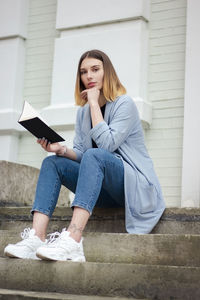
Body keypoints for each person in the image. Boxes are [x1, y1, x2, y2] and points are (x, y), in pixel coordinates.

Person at [4, 49, 165, 262]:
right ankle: (37, 237)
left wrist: (92, 103)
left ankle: (73, 239)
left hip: (131, 187)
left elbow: (106, 146)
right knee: (53, 163)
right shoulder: (82, 113)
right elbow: (82, 153)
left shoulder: (124, 104)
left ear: (107, 73)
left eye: (95, 69)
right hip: (100, 189)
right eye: (83, 72)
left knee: (95, 155)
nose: (88, 76)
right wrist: (61, 150)